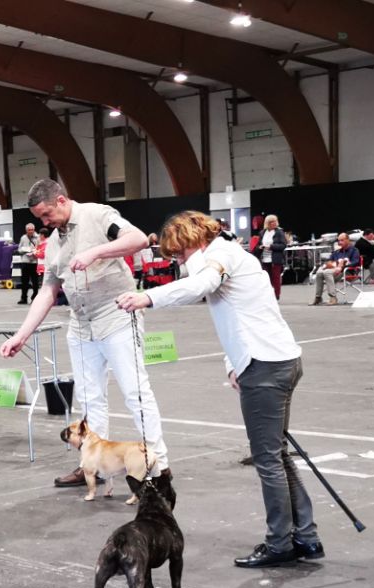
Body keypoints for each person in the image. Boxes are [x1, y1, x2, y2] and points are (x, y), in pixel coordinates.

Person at [116, 211, 322, 568]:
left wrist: (147, 297)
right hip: (277, 360)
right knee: (278, 455)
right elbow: (238, 315)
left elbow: (201, 285)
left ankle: (280, 543)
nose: (179, 262)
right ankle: (305, 536)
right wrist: (233, 364)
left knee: (268, 460)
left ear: (193, 240)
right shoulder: (235, 254)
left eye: (179, 253)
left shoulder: (220, 257)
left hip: (265, 367)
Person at [0, 178, 170, 488]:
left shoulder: (98, 215)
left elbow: (138, 239)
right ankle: (93, 467)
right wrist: (21, 336)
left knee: (135, 392)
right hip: (80, 324)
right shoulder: (54, 242)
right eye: (39, 217)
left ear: (61, 200)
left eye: (47, 214)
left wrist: (96, 253)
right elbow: (48, 291)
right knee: (89, 399)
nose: (44, 222)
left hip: (117, 315)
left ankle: (159, 467)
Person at [309, 233, 359, 306]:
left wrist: (343, 266)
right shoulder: (336, 252)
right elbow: (329, 261)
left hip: (346, 271)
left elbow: (356, 262)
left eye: (342, 240)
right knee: (319, 273)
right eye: (339, 240)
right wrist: (330, 265)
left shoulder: (354, 250)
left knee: (327, 272)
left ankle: (333, 297)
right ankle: (318, 297)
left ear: (348, 240)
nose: (340, 242)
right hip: (334, 270)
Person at [251, 214, 287, 300]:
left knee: (276, 278)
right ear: (267, 223)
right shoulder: (262, 232)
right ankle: (268, 295)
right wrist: (260, 247)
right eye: (271, 222)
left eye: (275, 221)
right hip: (264, 259)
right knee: (266, 279)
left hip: (275, 259)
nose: (274, 223)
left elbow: (283, 245)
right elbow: (258, 245)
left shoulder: (279, 232)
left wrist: (271, 247)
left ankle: (276, 296)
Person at [17, 223, 40, 304]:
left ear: (34, 230)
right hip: (25, 262)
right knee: (24, 282)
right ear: (26, 230)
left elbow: (41, 248)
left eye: (32, 230)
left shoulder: (38, 237)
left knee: (35, 282)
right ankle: (23, 298)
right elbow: (19, 249)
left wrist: (35, 251)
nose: (31, 231)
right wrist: (24, 250)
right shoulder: (23, 238)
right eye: (29, 230)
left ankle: (35, 298)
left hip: (34, 262)